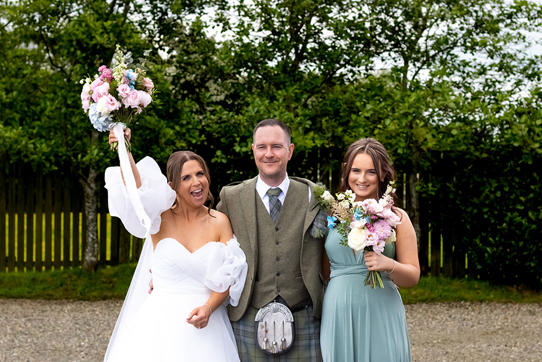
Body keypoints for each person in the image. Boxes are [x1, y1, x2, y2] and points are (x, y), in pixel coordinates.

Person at [103, 128, 248, 362]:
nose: (197, 182)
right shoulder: (159, 219)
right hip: (159, 329)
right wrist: (124, 148)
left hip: (207, 329)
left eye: (200, 174)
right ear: (172, 186)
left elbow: (232, 275)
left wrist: (209, 308)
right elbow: (136, 191)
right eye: (186, 177)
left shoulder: (220, 221)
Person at [217, 119, 326, 361]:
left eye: (276, 146)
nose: (269, 154)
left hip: (304, 314)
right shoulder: (231, 197)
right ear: (253, 150)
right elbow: (208, 240)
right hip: (248, 314)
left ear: (290, 151)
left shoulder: (315, 196)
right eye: (262, 147)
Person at [320, 138, 420, 361]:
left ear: (383, 174)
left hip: (381, 310)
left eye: (371, 172)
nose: (362, 179)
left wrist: (389, 264)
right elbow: (323, 273)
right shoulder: (331, 216)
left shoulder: (397, 218)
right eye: (356, 170)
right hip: (339, 310)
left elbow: (413, 276)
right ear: (346, 172)